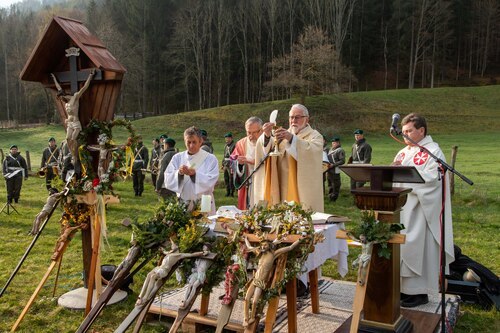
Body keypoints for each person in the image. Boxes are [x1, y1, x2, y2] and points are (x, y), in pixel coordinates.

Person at [392, 113, 454, 308]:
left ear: (421, 130)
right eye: (403, 132)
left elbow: (433, 180)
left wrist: (402, 177)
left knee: (415, 248)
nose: (405, 135)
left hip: (420, 212)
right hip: (401, 209)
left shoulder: (433, 151)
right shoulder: (403, 152)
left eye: (409, 131)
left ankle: (417, 293)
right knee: (400, 249)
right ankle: (402, 290)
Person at [253, 104, 324, 213]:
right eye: (291, 117)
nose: (293, 120)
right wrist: (267, 136)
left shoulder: (315, 136)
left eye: (297, 117)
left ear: (307, 119)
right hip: (281, 184)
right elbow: (269, 151)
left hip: (301, 188)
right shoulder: (283, 134)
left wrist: (292, 139)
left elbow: (312, 154)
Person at [243, 236, 301, 327]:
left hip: (261, 282)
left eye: (265, 245)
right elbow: (250, 247)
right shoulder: (259, 253)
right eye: (262, 245)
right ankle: (246, 318)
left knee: (254, 302)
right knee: (246, 298)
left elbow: (290, 248)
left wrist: (300, 239)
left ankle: (252, 317)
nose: (262, 247)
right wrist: (246, 239)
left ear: (269, 246)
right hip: (255, 280)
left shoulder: (273, 254)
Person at [136, 241, 209, 306]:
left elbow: (191, 254)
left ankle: (145, 298)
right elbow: (165, 247)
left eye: (173, 245)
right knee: (149, 275)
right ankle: (140, 296)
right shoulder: (168, 253)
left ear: (177, 247)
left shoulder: (179, 255)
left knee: (153, 277)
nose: (171, 246)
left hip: (164, 271)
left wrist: (202, 252)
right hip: (158, 268)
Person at [164, 127, 219, 214]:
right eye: (188, 142)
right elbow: (167, 178)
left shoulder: (210, 159)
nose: (191, 145)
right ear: (184, 141)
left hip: (203, 202)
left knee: (205, 226)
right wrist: (179, 173)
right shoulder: (177, 158)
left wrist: (194, 175)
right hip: (183, 202)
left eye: (194, 142)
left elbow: (212, 179)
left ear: (200, 141)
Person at [51, 69, 95, 163]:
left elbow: (84, 88)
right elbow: (58, 87)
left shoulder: (75, 98)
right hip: (69, 123)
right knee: (67, 139)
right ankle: (72, 154)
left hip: (75, 123)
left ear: (63, 95)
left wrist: (90, 76)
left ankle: (74, 156)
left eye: (61, 98)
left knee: (73, 139)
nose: (61, 100)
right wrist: (54, 78)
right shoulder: (64, 100)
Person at [230, 117, 263, 210]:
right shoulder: (241, 144)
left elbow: (272, 162)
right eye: (248, 132)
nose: (251, 136)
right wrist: (239, 164)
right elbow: (233, 161)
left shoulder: (268, 142)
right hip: (247, 183)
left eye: (254, 132)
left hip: (263, 181)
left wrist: (251, 161)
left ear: (261, 130)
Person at [180, 243, 214, 309]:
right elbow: (196, 264)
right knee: (190, 285)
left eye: (205, 247)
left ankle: (188, 301)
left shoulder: (210, 256)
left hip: (201, 274)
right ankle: (184, 300)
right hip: (196, 272)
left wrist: (205, 253)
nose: (204, 248)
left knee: (194, 286)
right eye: (203, 247)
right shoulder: (200, 256)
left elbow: (207, 255)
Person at [325, 136, 345, 202]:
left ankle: (334, 198)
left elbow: (342, 161)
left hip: (335, 169)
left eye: (335, 143)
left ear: (338, 143)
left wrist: (333, 165)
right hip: (329, 169)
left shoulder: (340, 150)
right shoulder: (331, 150)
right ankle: (330, 196)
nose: (333, 144)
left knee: (335, 184)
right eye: (332, 143)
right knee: (330, 184)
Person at [222, 132, 236, 197]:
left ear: (231, 138)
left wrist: (232, 164)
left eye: (228, 138)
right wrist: (222, 164)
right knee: (226, 178)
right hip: (225, 164)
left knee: (231, 179)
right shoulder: (225, 146)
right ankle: (227, 191)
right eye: (226, 138)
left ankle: (231, 192)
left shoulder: (234, 145)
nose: (227, 139)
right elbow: (224, 156)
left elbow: (234, 155)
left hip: (231, 164)